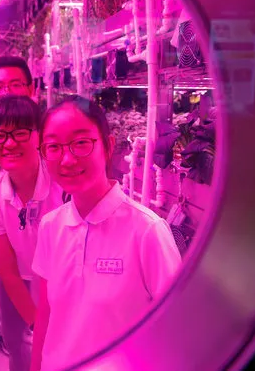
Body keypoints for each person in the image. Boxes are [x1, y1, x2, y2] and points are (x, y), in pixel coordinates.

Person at [31, 95, 182, 370]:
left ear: (108, 145)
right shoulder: (51, 226)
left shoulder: (147, 232)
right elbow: (47, 315)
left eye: (80, 144)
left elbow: (177, 332)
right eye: (53, 147)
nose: (66, 159)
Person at [0, 95, 65, 371]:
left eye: (20, 133)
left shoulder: (60, 182)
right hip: (15, 278)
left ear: (38, 136)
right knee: (17, 346)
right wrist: (36, 321)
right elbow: (6, 271)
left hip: (59, 278)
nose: (9, 143)